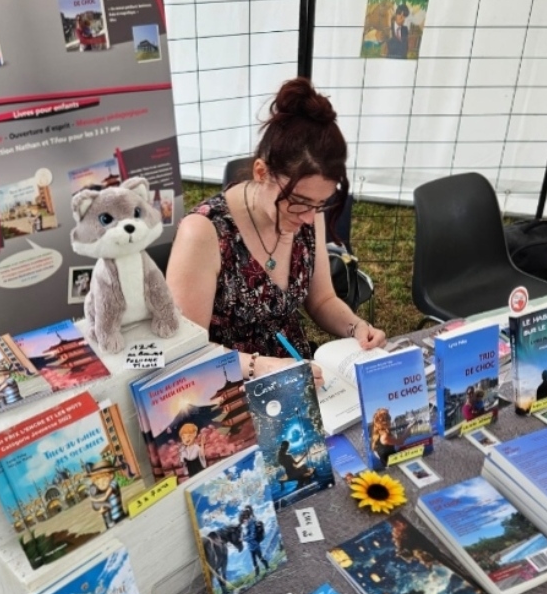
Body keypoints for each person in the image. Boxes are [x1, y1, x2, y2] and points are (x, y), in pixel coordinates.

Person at [166, 78, 387, 386]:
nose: (309, 218)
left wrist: (355, 327)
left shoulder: (308, 213)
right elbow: (186, 354)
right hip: (227, 386)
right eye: (299, 202)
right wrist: (261, 367)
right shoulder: (204, 233)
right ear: (261, 172)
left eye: (320, 204)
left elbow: (322, 300)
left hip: (297, 373)